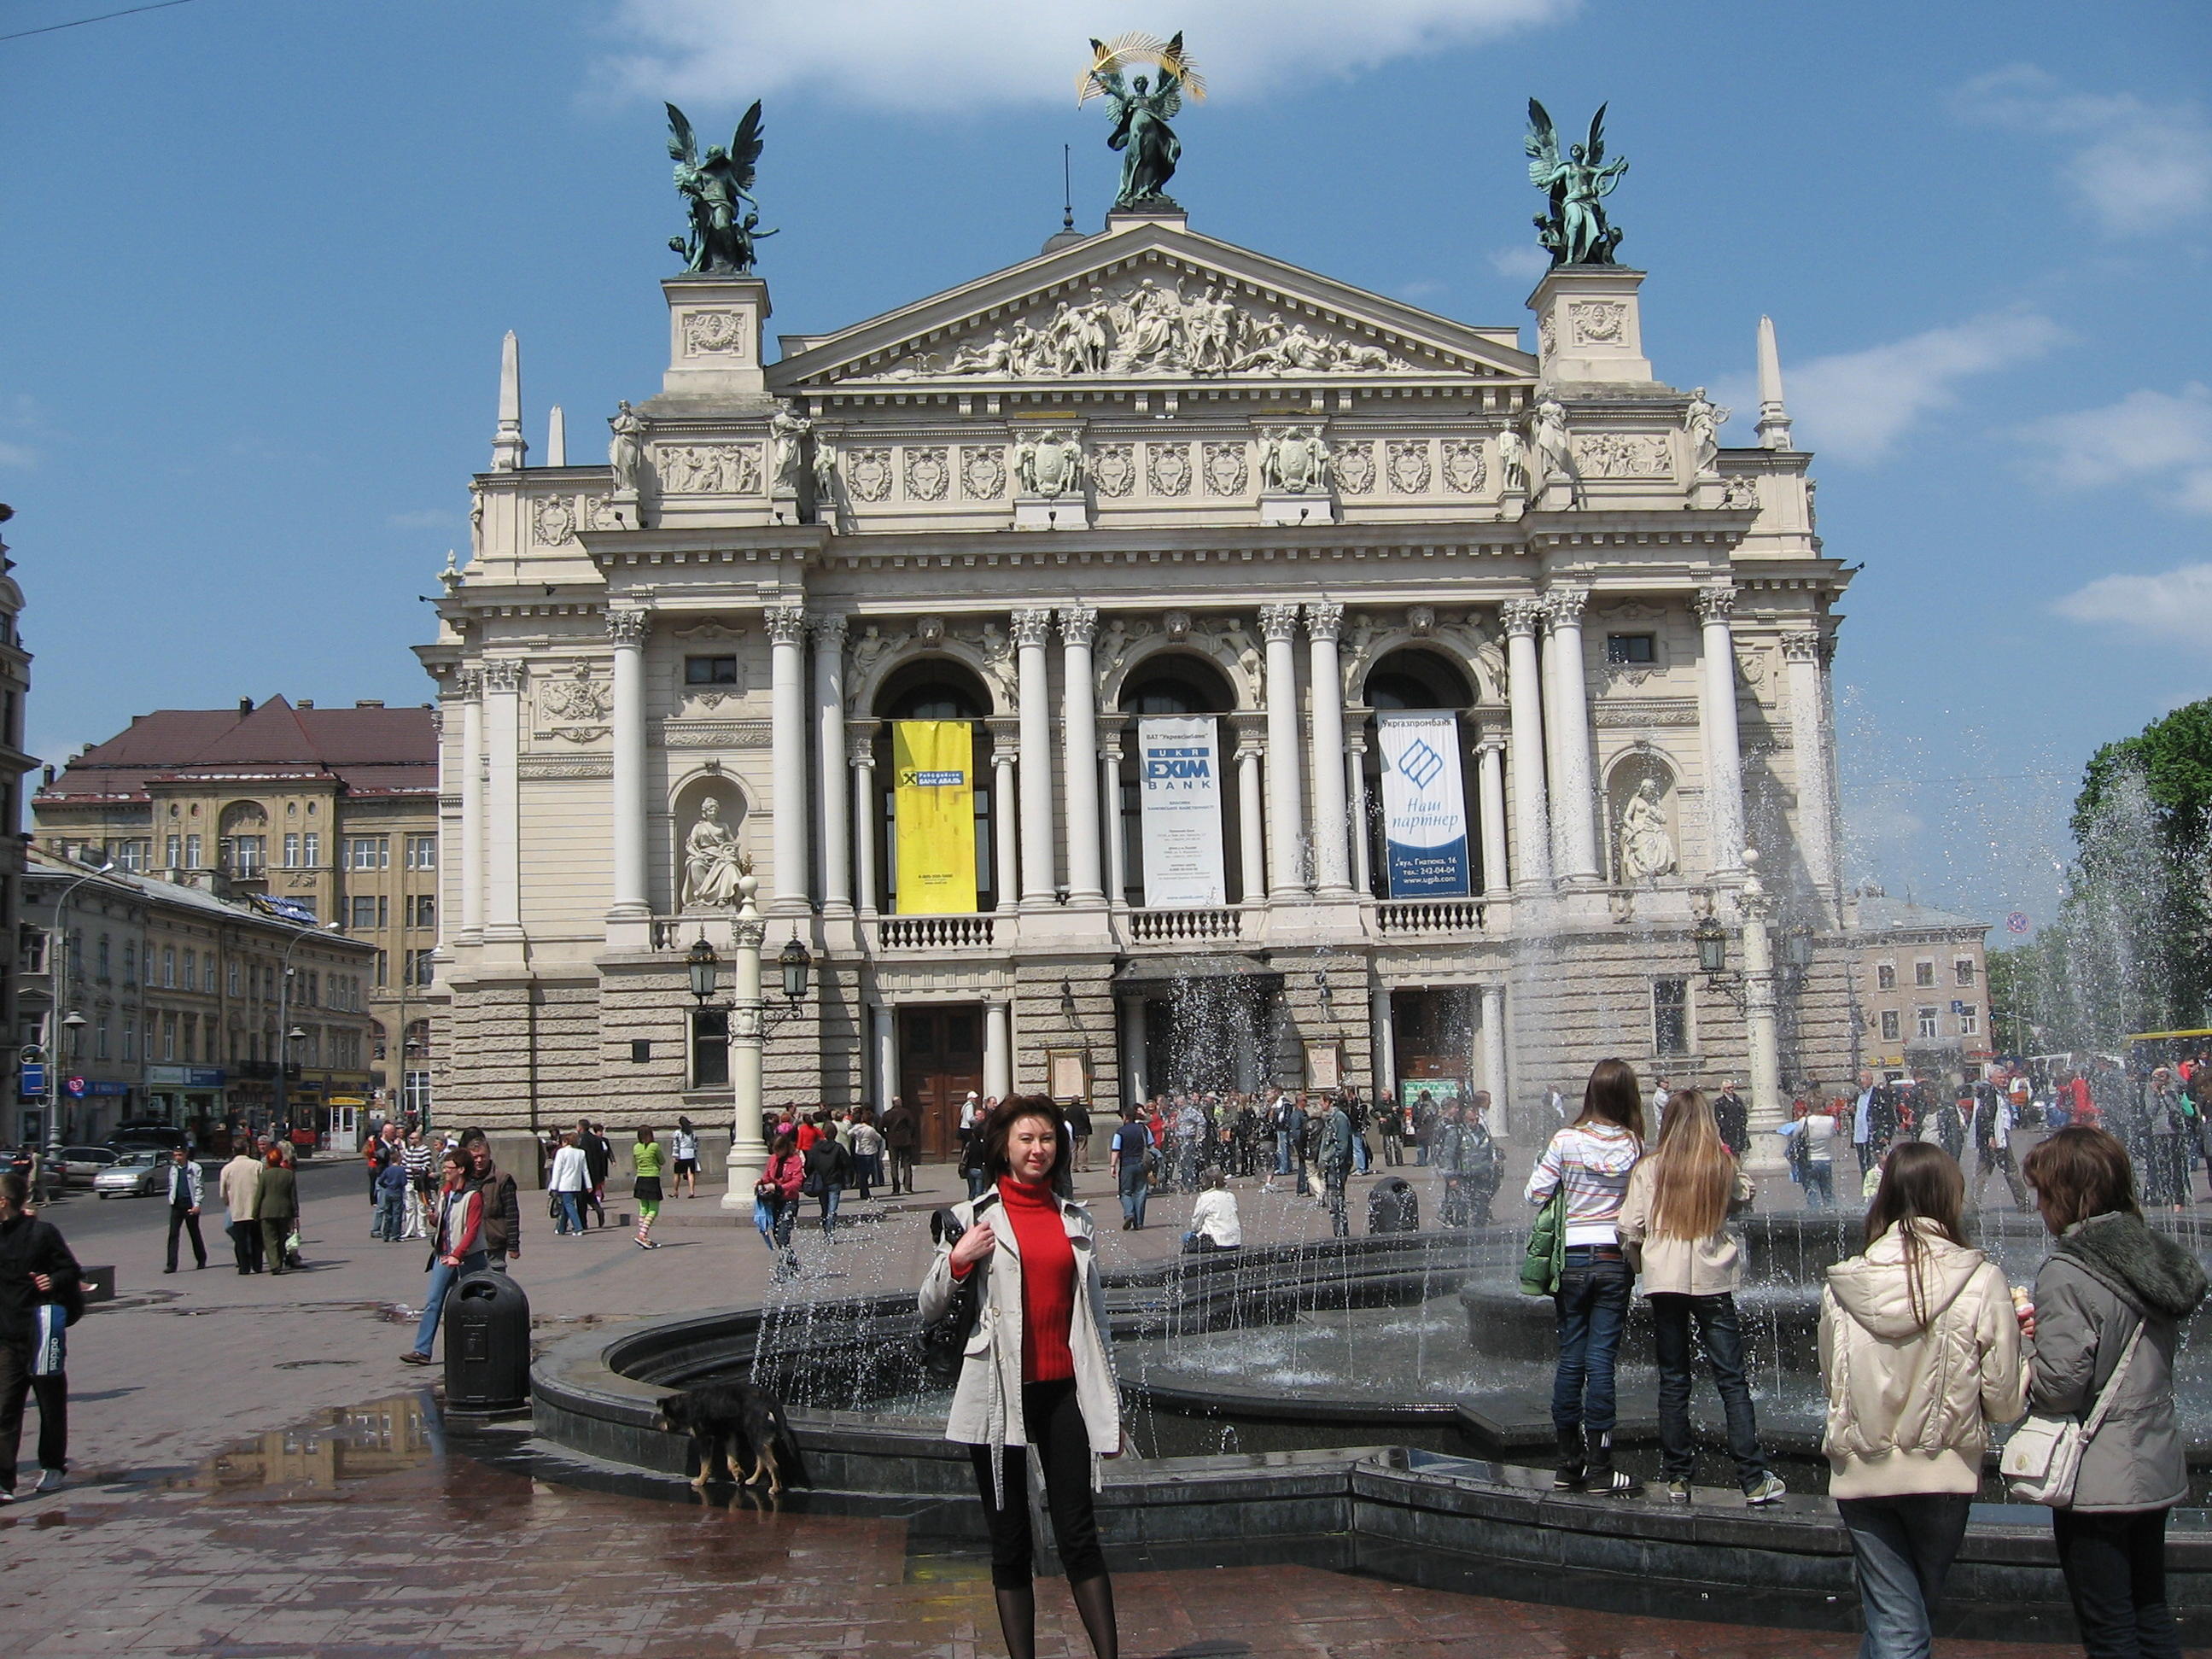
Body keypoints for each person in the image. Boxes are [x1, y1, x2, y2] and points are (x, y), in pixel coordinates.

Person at [919, 1097, 1120, 1659]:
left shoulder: (1074, 1218)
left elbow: (1097, 1320)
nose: (1038, 1149)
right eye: (1026, 1139)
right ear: (1003, 1147)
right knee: (1010, 1542)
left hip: (1064, 1391)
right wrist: (958, 1258)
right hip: (997, 1391)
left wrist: (1110, 1401)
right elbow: (928, 1304)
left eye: (1047, 1139)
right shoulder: (971, 1216)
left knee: (1079, 1535)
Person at [1819, 1142, 2027, 1659]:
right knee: (1906, 1625)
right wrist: (2026, 1351)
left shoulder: (1844, 1283)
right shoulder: (1980, 1279)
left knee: (1897, 1621)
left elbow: (1833, 1385)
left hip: (1862, 1472)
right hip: (1942, 1472)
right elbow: (2004, 1404)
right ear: (1949, 1197)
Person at [2018, 1126, 2207, 1656]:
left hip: (2098, 1477)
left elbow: (2059, 1388)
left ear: (2067, 1195)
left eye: (2042, 1192)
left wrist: (2023, 1344)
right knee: (2151, 1612)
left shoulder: (2068, 1271)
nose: (2038, 1205)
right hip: (2154, 1460)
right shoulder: (2153, 1257)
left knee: (2108, 1629)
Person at [1616, 1088, 1783, 1505]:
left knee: (1674, 1380)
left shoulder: (1649, 1168)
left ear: (1667, 1122)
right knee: (1731, 1379)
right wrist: (1727, 1161)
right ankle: (1752, 1478)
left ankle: (1678, 1477)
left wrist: (1642, 1264)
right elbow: (1745, 1194)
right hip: (1713, 1277)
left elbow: (1629, 1227)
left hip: (1664, 1279)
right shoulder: (1719, 1165)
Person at [1525, 1058, 1645, 1495]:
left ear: (1592, 1093)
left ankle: (1566, 1463)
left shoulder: (1566, 1140)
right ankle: (1601, 1467)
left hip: (1572, 1259)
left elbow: (1534, 1193)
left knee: (1571, 1358)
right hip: (1614, 1258)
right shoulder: (1635, 1145)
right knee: (1601, 1361)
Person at [0, 1173, 80, 1500]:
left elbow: (71, 1270)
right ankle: (4, 1481)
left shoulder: (42, 1233)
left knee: (50, 1405)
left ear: (3, 1202)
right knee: (5, 1408)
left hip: (42, 1332)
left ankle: (53, 1466)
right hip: (7, 1338)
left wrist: (53, 1280)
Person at [402, 1149, 483, 1365]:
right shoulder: (446, 1192)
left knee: (475, 1305)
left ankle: (477, 1348)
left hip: (469, 1257)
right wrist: (434, 1220)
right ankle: (422, 1350)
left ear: (461, 1170)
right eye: (444, 1167)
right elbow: (444, 1223)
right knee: (433, 1301)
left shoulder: (473, 1195)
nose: (445, 1171)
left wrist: (458, 1254)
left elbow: (472, 1230)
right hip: (444, 1254)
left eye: (449, 1168)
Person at [456, 1129, 522, 1271]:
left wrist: (513, 1245)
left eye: (483, 1156)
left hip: (494, 1245)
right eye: (475, 1157)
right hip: (468, 1247)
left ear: (489, 1155)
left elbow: (512, 1214)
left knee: (495, 1280)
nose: (479, 1161)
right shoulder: (461, 1181)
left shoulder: (502, 1179)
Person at [1969, 1080, 2030, 1213]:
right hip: (1997, 1137)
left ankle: (1973, 1205)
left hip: (1995, 1136)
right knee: (2010, 1169)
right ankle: (2023, 1204)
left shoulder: (1991, 1090)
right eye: (2001, 1077)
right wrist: (1991, 1136)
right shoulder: (1990, 1091)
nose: (2004, 1080)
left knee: (1983, 1171)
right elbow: (1986, 1115)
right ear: (1992, 1077)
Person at [755, 1130, 806, 1279]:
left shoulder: (794, 1160)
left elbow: (797, 1182)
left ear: (785, 1148)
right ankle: (792, 1262)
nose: (776, 1154)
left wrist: (779, 1187)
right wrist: (761, 1182)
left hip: (789, 1200)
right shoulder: (773, 1159)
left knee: (783, 1234)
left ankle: (782, 1270)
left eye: (779, 1150)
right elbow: (767, 1176)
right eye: (774, 1150)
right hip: (774, 1201)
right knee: (778, 1235)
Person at [1777, 1098, 1838, 1209]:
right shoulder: (1831, 1120)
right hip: (1826, 1160)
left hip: (1810, 1160)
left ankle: (1814, 1215)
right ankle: (1832, 1212)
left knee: (1811, 1192)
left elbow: (1795, 1136)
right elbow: (1833, 1133)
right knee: (1828, 1192)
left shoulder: (1805, 1121)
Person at [219, 1138, 265, 1274]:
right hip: (255, 1208)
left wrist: (228, 1203)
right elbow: (263, 1186)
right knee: (256, 1238)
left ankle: (244, 1267)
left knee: (241, 1240)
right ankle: (257, 1265)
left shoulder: (227, 1169)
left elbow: (223, 1192)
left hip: (237, 1208)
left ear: (233, 1151)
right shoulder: (257, 1165)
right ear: (247, 1150)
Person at [163, 1146, 207, 1273]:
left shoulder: (195, 1168)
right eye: (175, 1155)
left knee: (194, 1233)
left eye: (180, 1155)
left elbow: (199, 1187)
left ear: (186, 1154)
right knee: (173, 1234)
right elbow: (172, 1185)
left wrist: (197, 1204)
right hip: (177, 1205)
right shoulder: (173, 1169)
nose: (177, 1158)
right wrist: (171, 1199)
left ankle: (201, 1259)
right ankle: (171, 1265)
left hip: (190, 1205)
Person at [803, 1122, 851, 1236]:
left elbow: (809, 1164)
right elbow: (847, 1164)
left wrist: (810, 1175)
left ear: (823, 1133)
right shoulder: (838, 1148)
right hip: (834, 1180)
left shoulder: (815, 1147)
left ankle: (826, 1228)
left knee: (825, 1208)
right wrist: (847, 1179)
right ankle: (830, 1232)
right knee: (832, 1210)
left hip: (820, 1180)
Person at [259, 1143, 301, 1275]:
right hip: (284, 1211)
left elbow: (259, 1195)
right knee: (282, 1238)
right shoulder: (288, 1174)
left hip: (267, 1211)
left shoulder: (264, 1175)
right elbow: (293, 1196)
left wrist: (255, 1212)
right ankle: (280, 1260)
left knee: (270, 1239)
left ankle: (274, 1264)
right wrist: (295, 1214)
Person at [1109, 1104, 1152, 1231]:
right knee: (1140, 1192)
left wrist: (1112, 1166)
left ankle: (1129, 1214)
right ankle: (1139, 1223)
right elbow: (1151, 1145)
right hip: (1142, 1163)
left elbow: (1116, 1150)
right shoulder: (1144, 1129)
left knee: (1125, 1192)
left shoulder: (1120, 1131)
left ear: (1125, 1117)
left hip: (1127, 1164)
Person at [1319, 1094, 1354, 1239]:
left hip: (1337, 1166)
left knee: (1336, 1201)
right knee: (1333, 1202)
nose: (1320, 1104)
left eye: (1321, 1102)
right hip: (1332, 1165)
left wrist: (1335, 1162)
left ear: (1328, 1102)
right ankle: (1339, 1232)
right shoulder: (1333, 1118)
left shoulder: (1340, 1118)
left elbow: (1342, 1144)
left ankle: (1341, 1234)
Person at [1182, 1167, 1241, 1253]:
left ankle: (1190, 1259)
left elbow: (1195, 1225)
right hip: (1235, 1241)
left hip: (1215, 1243)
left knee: (1186, 1236)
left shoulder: (1205, 1197)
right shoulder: (1230, 1195)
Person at [546, 1130, 588, 1237]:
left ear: (566, 1141)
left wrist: (554, 1187)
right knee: (566, 1206)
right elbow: (585, 1170)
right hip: (576, 1184)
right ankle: (561, 1228)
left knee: (569, 1205)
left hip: (564, 1184)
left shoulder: (561, 1152)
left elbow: (557, 1170)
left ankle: (578, 1227)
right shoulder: (581, 1152)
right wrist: (589, 1185)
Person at [632, 1127, 664, 1249]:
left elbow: (635, 1163)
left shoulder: (636, 1147)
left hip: (640, 1178)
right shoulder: (654, 1146)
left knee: (643, 1208)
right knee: (654, 1209)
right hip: (652, 1178)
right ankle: (642, 1235)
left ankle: (643, 1237)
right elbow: (662, 1161)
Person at [401, 1129, 436, 1240]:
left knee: (421, 1206)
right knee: (409, 1207)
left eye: (412, 1138)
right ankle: (410, 1230)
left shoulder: (425, 1150)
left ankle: (422, 1229)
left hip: (420, 1182)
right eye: (410, 1138)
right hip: (408, 1181)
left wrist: (419, 1169)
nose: (410, 1140)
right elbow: (403, 1163)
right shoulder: (408, 1150)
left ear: (418, 1139)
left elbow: (427, 1166)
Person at [881, 1096, 919, 1195]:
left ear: (893, 1103)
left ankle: (896, 1189)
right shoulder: (906, 1112)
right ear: (900, 1103)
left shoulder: (887, 1114)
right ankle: (908, 1188)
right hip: (905, 1141)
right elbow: (913, 1125)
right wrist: (910, 1136)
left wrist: (887, 1136)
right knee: (907, 1164)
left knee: (894, 1164)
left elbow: (880, 1127)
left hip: (892, 1141)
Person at [373, 1145, 410, 1242]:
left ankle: (386, 1234)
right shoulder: (401, 1170)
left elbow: (380, 1181)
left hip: (388, 1192)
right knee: (397, 1214)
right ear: (399, 1159)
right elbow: (404, 1182)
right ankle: (395, 1235)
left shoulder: (388, 1169)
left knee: (388, 1214)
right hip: (397, 1192)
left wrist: (387, 1186)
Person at [849, 1111, 884, 1200]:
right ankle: (865, 1192)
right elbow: (878, 1138)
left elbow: (849, 1133)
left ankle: (863, 1192)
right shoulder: (870, 1129)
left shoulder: (858, 1128)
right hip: (869, 1152)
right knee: (867, 1172)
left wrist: (857, 1130)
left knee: (862, 1173)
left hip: (859, 1152)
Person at [1713, 1079, 1750, 1160]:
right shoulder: (1720, 1102)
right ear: (1724, 1089)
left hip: (1739, 1129)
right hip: (1727, 1131)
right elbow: (1718, 1117)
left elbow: (1743, 1112)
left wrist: (1743, 1122)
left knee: (1738, 1151)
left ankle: (1738, 1165)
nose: (1731, 1089)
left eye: (1732, 1087)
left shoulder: (1737, 1099)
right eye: (1728, 1088)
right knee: (1729, 1152)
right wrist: (1726, 1125)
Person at [670, 1117, 701, 1200]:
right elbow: (696, 1143)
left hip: (681, 1154)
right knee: (691, 1173)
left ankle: (675, 1191)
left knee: (677, 1174)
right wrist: (694, 1152)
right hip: (691, 1154)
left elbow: (676, 1144)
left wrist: (675, 1155)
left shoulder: (678, 1133)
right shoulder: (692, 1133)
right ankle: (691, 1191)